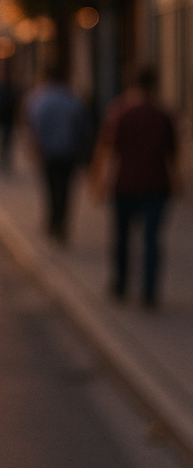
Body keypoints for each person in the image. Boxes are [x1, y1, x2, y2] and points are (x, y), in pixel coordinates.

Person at [90, 66, 180, 307]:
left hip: (125, 185)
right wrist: (177, 183)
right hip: (156, 185)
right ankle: (149, 292)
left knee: (121, 238)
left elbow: (108, 149)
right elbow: (172, 155)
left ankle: (120, 285)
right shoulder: (164, 115)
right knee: (152, 240)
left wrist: (99, 181)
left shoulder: (120, 112)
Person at [25, 65, 88, 242]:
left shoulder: (38, 98)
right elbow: (82, 125)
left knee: (50, 187)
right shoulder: (71, 98)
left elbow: (31, 125)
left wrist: (34, 147)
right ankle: (62, 221)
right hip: (68, 151)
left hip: (47, 152)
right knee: (66, 188)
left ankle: (53, 220)